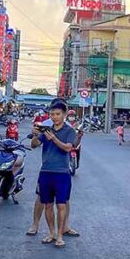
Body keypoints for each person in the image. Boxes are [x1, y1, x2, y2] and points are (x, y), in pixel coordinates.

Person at [30, 100, 78, 248]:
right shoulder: (46, 129)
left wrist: (54, 139)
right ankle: (51, 232)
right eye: (52, 114)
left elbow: (67, 148)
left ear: (64, 115)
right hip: (45, 171)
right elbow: (34, 145)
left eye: (58, 114)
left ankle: (60, 235)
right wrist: (35, 136)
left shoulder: (69, 131)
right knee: (48, 205)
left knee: (61, 205)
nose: (55, 117)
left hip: (62, 172)